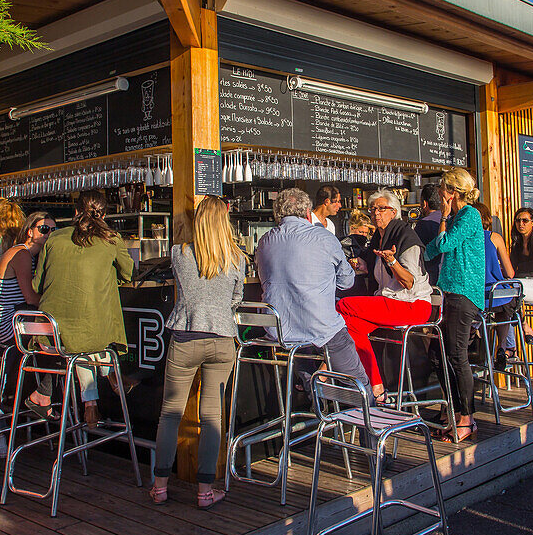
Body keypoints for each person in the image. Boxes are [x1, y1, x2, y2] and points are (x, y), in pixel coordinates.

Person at [151, 196, 244, 509]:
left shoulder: (180, 252)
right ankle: (205, 492)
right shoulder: (237, 257)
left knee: (170, 413)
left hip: (186, 338)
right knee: (211, 416)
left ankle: (160, 486)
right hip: (222, 340)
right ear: (225, 221)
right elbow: (236, 299)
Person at [29, 190, 134, 424]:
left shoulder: (54, 238)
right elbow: (129, 273)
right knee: (91, 334)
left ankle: (92, 400)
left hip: (49, 337)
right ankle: (109, 379)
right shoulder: (110, 239)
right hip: (89, 336)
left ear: (75, 211)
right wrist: (106, 276)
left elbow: (37, 285)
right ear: (104, 214)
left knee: (80, 337)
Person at [255, 188, 368, 388]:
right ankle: (364, 406)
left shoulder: (265, 241)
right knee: (357, 381)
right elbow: (347, 282)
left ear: (277, 215)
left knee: (302, 349)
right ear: (308, 214)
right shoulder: (324, 238)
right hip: (319, 328)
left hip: (279, 331)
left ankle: (315, 394)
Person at [335, 190, 433, 402]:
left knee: (343, 305)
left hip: (412, 305)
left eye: (381, 209)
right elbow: (378, 272)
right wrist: (362, 265)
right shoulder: (379, 240)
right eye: (372, 209)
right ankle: (376, 387)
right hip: (390, 302)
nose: (375, 213)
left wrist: (392, 261)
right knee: (348, 325)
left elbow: (408, 282)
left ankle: (327, 370)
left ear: (394, 212)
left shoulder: (406, 238)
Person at [423, 168, 485, 444]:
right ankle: (454, 412)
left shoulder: (469, 215)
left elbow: (444, 243)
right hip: (450, 292)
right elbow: (431, 250)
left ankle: (467, 419)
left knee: (458, 356)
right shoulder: (460, 217)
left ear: (453, 192)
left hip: (463, 292)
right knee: (442, 354)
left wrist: (445, 217)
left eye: (442, 188)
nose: (438, 193)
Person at [472, 203, 533, 371]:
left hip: (475, 296)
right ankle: (503, 347)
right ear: (487, 219)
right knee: (508, 305)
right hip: (494, 293)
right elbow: (510, 273)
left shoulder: (466, 239)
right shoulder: (494, 237)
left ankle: (489, 349)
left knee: (493, 311)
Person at [0, 211, 56, 347]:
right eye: (43, 229)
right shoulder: (22, 254)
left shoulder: (29, 255)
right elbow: (30, 297)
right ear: (30, 232)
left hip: (15, 319)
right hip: (10, 325)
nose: (48, 234)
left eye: (53, 230)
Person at [500, 207, 533, 357]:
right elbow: (511, 270)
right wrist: (528, 265)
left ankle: (510, 344)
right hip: (521, 285)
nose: (521, 224)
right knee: (505, 298)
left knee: (512, 288)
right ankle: (520, 333)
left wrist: (521, 269)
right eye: (518, 221)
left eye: (525, 220)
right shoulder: (516, 244)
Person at [414, 184, 443, 285]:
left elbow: (416, 252)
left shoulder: (424, 224)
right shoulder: (451, 220)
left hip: (431, 276)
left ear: (425, 204)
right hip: (448, 276)